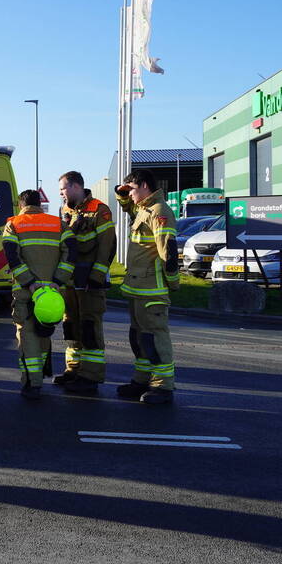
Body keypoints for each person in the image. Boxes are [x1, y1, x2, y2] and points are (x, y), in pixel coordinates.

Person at [2, 189, 77, 400]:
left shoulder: (14, 224)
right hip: (53, 292)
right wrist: (58, 280)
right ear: (39, 204)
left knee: (27, 337)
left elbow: (12, 257)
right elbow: (71, 251)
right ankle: (41, 374)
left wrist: (30, 282)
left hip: (27, 291)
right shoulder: (57, 224)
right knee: (44, 333)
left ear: (21, 205)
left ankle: (32, 383)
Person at [114, 169, 179, 405]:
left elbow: (168, 252)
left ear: (142, 185)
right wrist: (122, 191)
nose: (128, 195)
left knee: (155, 338)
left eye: (130, 189)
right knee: (138, 338)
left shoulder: (159, 212)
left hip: (152, 290)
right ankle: (141, 380)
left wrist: (173, 282)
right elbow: (125, 205)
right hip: (137, 288)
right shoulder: (143, 209)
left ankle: (163, 387)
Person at [55, 171, 117, 394]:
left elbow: (107, 245)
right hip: (70, 281)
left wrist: (97, 276)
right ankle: (74, 369)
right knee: (71, 325)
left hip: (90, 281)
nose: (61, 194)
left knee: (90, 326)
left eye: (63, 189)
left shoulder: (100, 210)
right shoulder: (65, 210)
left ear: (75, 187)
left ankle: (90, 376)